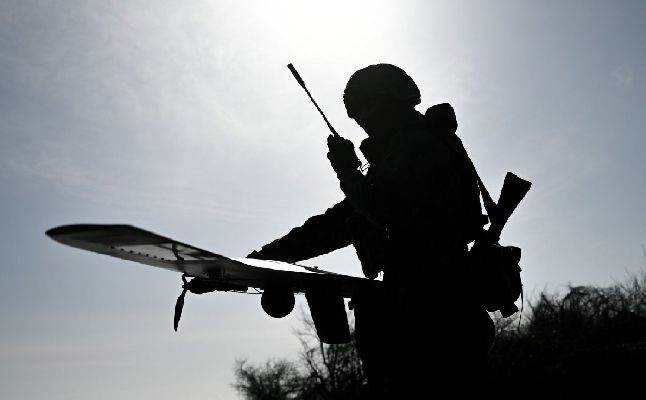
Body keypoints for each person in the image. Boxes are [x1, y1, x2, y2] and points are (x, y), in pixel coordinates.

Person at [248, 64, 494, 398]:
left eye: (366, 110)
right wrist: (264, 260)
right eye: (357, 116)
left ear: (389, 102)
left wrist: (349, 171)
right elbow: (339, 223)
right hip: (432, 311)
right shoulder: (409, 152)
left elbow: (384, 210)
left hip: (433, 318)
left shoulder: (419, 147)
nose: (363, 122)